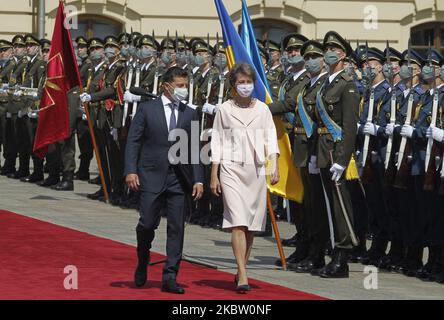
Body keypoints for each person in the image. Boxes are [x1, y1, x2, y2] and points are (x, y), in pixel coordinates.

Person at [125, 66, 204, 294]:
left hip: (179, 179)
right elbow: (134, 141)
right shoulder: (147, 109)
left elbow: (194, 148)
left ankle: (170, 276)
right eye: (179, 85)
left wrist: (198, 179)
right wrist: (131, 170)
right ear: (166, 86)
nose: (183, 90)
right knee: (147, 223)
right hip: (151, 174)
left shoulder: (190, 112)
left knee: (177, 227)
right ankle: (143, 258)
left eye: (185, 85)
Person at [210, 63, 280, 292]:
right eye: (241, 82)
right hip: (231, 169)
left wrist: (275, 165)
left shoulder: (263, 109)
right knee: (237, 222)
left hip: (257, 170)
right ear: (233, 85)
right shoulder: (224, 109)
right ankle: (243, 274)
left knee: (250, 226)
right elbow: (217, 142)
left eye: (248, 82)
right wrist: (214, 175)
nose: (245, 86)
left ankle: (241, 268)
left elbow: (271, 138)